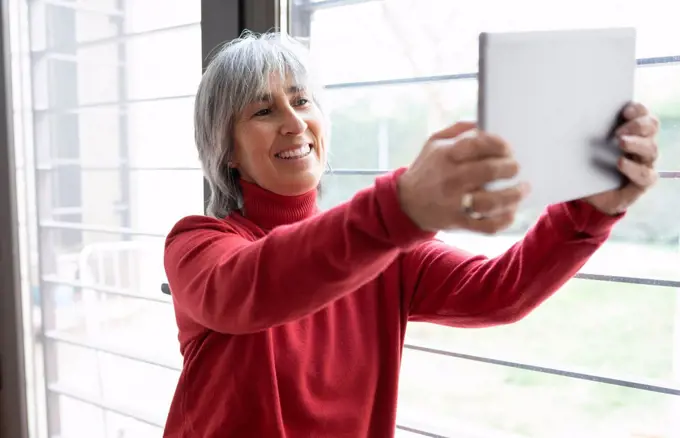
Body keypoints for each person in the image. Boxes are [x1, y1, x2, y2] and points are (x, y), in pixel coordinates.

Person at [162, 32, 659, 438]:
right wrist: (401, 208)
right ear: (225, 149)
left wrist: (592, 210)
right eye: (263, 110)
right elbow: (250, 287)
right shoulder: (197, 243)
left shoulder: (382, 249)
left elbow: (499, 291)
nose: (295, 123)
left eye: (301, 101)